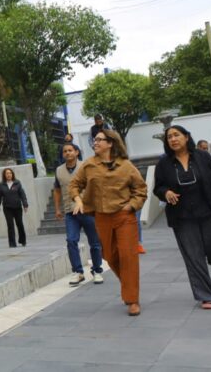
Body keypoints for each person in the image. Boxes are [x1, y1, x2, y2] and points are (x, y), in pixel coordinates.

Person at [154, 126, 211, 309]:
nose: (173, 139)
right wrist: (165, 192)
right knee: (193, 257)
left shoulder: (203, 157)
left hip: (210, 212)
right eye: (169, 137)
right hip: (182, 217)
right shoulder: (164, 164)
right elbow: (158, 187)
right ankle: (207, 295)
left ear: (186, 137)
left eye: (176, 135)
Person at [69, 129, 147, 316]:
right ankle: (129, 285)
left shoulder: (126, 166)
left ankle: (132, 299)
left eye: (99, 140)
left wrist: (131, 206)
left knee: (128, 256)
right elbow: (74, 185)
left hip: (124, 216)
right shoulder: (89, 165)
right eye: (94, 140)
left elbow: (141, 189)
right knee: (110, 256)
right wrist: (78, 200)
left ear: (110, 143)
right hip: (101, 217)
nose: (95, 143)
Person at [53, 141, 104, 285]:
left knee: (94, 242)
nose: (68, 153)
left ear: (76, 152)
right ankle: (78, 271)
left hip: (88, 210)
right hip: (70, 212)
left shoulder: (86, 166)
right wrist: (57, 209)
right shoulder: (58, 171)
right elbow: (57, 190)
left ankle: (97, 270)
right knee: (71, 240)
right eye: (65, 151)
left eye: (70, 150)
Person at [0, 168, 29, 248]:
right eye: (7, 173)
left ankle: (22, 240)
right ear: (4, 175)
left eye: (10, 173)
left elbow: (22, 195)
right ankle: (12, 243)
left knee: (19, 224)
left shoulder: (17, 183)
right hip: (7, 208)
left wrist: (25, 205)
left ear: (12, 174)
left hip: (17, 207)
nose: (8, 175)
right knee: (10, 225)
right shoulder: (1, 185)